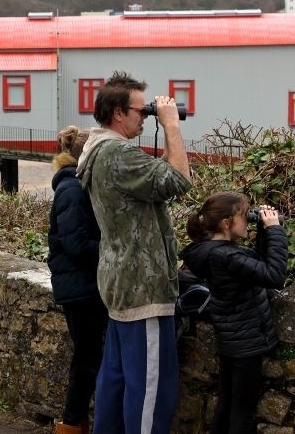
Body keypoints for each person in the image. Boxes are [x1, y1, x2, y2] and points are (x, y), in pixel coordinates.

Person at [76, 71, 192, 434]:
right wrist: (171, 125)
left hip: (120, 282)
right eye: (141, 111)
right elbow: (179, 181)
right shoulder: (118, 154)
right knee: (149, 393)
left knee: (116, 383)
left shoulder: (96, 151)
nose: (147, 116)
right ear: (117, 113)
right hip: (143, 288)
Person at [181, 194, 288, 434]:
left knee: (227, 403)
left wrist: (263, 230)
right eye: (244, 215)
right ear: (226, 223)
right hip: (246, 342)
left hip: (232, 339)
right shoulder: (227, 256)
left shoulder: (216, 251)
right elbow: (274, 276)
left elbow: (257, 267)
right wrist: (275, 231)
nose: (248, 220)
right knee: (242, 410)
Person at [47, 126, 107, 434]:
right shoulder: (72, 189)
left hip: (82, 284)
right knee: (87, 360)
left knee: (89, 357)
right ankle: (71, 424)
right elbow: (75, 244)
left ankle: (75, 423)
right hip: (80, 286)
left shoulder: (76, 185)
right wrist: (113, 249)